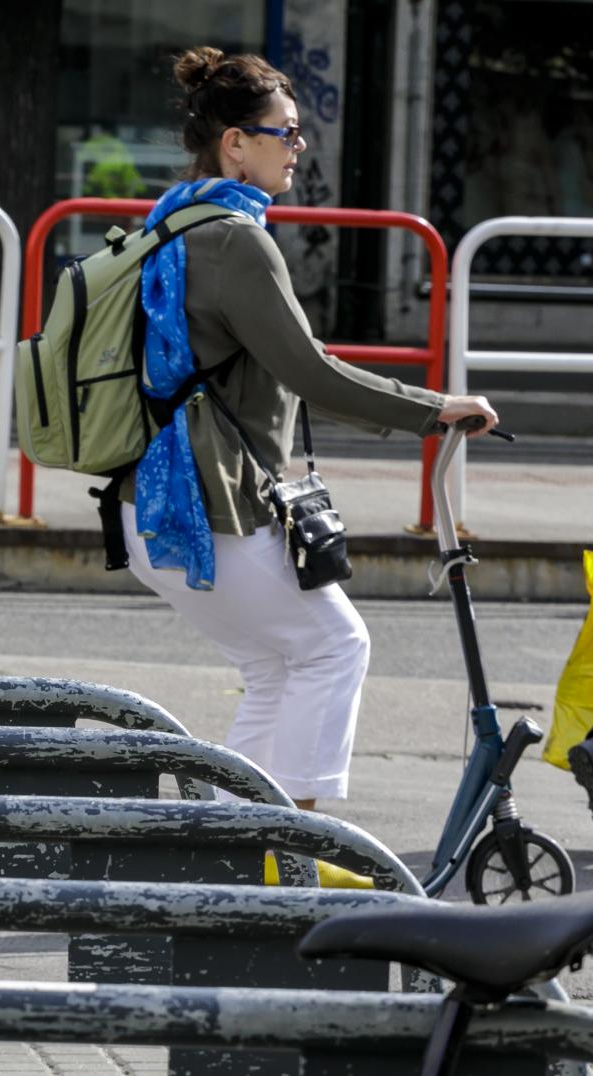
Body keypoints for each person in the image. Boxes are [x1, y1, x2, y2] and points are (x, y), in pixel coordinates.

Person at [119, 47, 499, 814]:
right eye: (284, 134)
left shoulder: (172, 218)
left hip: (150, 500)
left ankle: (233, 846)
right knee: (334, 646)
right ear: (235, 142)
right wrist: (433, 410)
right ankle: (300, 847)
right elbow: (311, 370)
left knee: (275, 668)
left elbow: (291, 359)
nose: (299, 148)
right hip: (206, 503)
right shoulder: (234, 238)